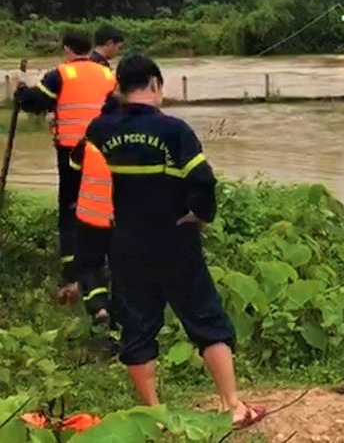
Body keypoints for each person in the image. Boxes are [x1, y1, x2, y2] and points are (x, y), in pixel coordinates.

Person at [79, 52, 266, 428]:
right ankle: (233, 405)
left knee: (137, 327)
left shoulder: (100, 131)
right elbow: (203, 182)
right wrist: (199, 215)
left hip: (125, 245)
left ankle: (153, 414)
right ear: (155, 85)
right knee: (206, 318)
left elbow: (82, 170)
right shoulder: (174, 130)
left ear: (119, 88)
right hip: (174, 240)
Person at [14, 31, 117, 303]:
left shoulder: (61, 74)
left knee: (71, 208)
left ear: (67, 50)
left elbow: (35, 103)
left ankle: (72, 273)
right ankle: (105, 266)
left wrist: (22, 91)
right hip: (106, 151)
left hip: (71, 152)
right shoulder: (108, 74)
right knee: (103, 205)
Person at [70, 93, 121, 354]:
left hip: (90, 216)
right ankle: (120, 324)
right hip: (121, 220)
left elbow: (73, 163)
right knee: (122, 271)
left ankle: (99, 308)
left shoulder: (91, 138)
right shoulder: (130, 142)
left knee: (89, 268)